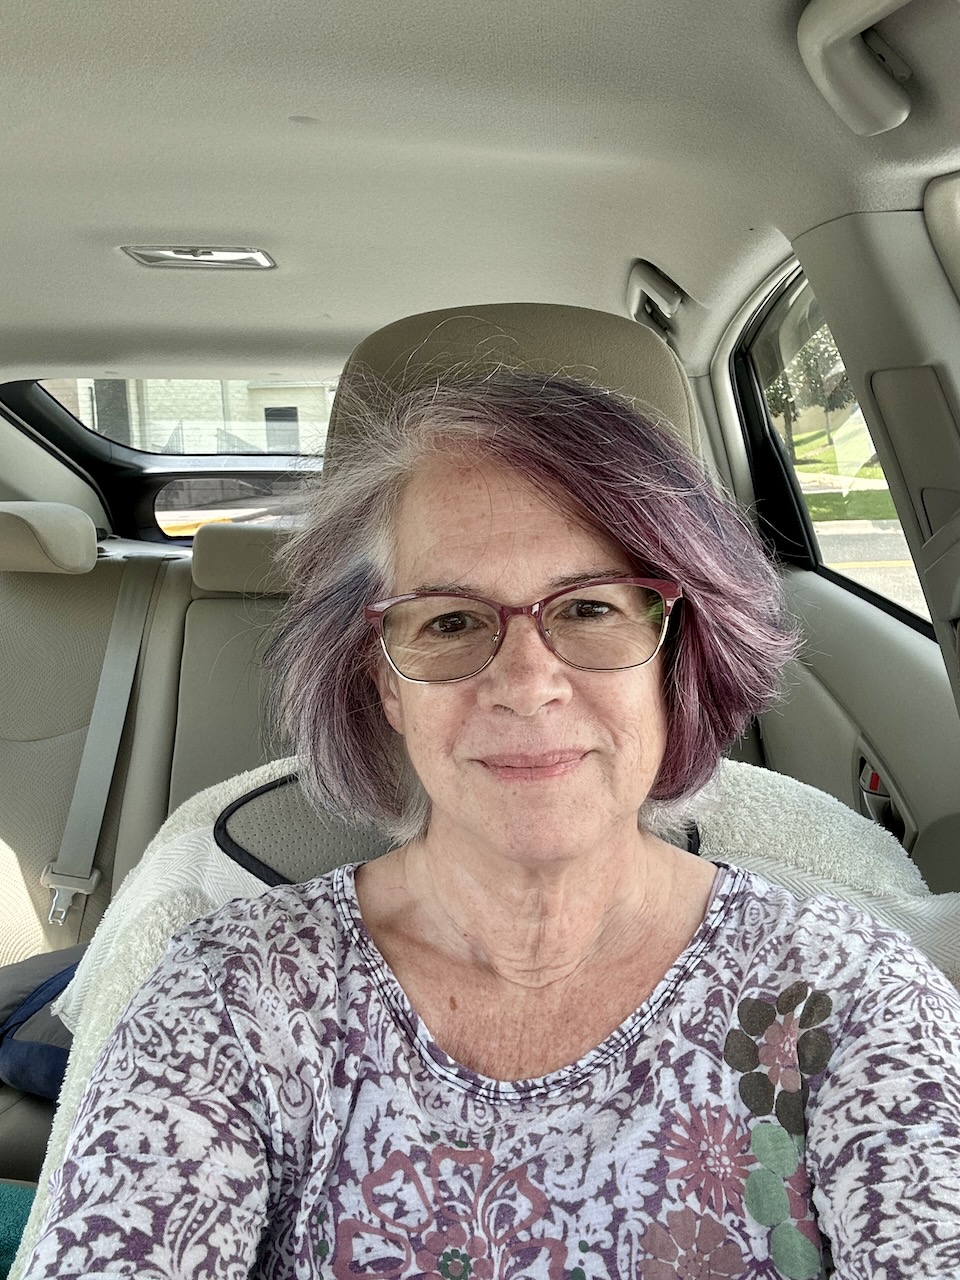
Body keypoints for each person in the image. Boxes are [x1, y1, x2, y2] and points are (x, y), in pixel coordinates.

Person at [20, 372, 960, 1279]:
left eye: (591, 608)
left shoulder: (849, 995)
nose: (525, 682)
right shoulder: (231, 1001)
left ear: (678, 659)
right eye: (451, 621)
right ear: (384, 682)